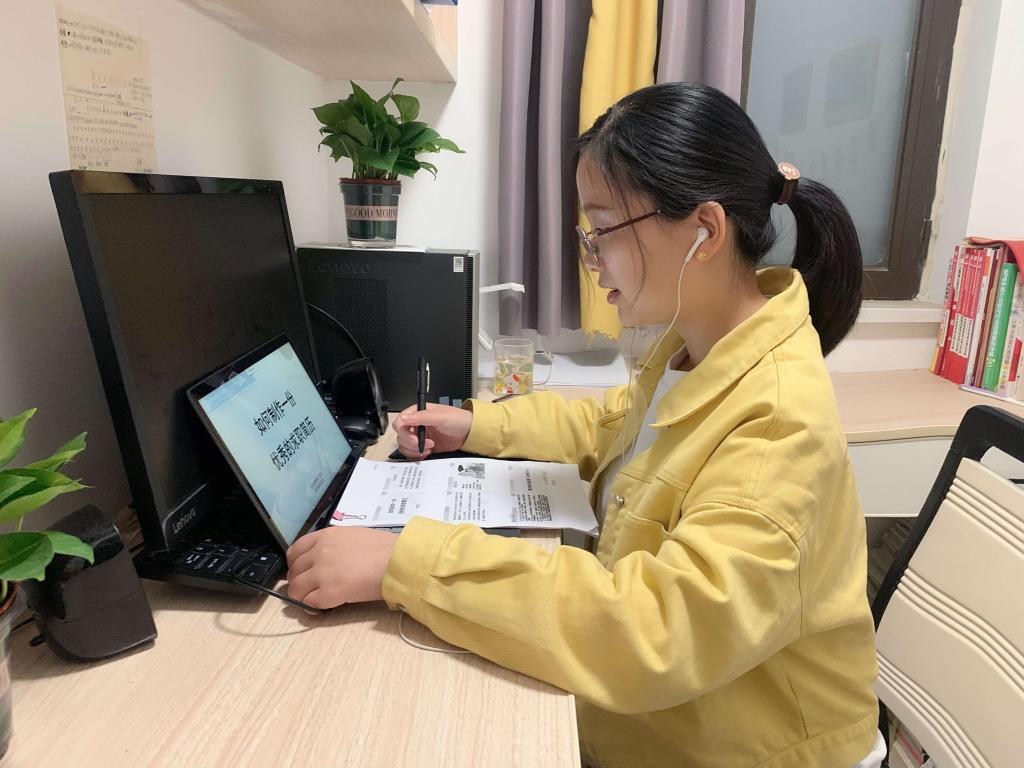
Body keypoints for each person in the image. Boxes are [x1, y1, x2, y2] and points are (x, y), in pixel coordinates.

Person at [285, 82, 885, 768]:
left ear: (705, 232)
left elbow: (655, 632)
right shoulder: (696, 345)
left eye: (604, 231)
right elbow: (610, 427)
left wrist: (405, 563)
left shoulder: (778, 424)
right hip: (671, 725)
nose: (591, 259)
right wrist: (475, 424)